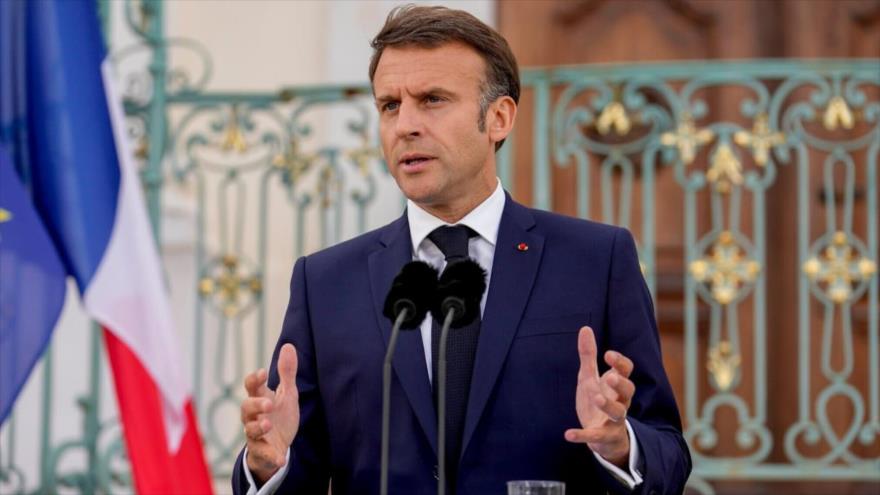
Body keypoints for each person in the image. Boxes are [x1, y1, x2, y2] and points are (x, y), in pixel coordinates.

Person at [233, 5, 691, 494]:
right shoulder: (325, 283)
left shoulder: (596, 261)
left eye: (432, 100)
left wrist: (620, 444)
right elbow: (294, 469)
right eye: (389, 105)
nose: (405, 124)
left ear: (498, 118)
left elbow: (668, 455)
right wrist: (268, 464)